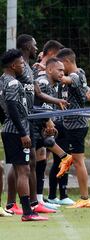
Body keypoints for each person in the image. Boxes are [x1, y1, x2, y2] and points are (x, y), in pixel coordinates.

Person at [6, 34, 67, 215]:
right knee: (20, 164)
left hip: (31, 118)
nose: (36, 48)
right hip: (21, 122)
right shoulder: (20, 69)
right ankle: (13, 204)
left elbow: (37, 94)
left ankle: (33, 202)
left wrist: (56, 102)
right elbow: (19, 98)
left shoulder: (28, 69)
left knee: (29, 162)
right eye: (34, 45)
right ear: (26, 47)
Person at [0, 48, 47, 221]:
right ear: (13, 65)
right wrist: (22, 132)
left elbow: (2, 110)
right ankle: (28, 212)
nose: (23, 66)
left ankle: (26, 209)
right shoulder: (13, 83)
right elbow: (12, 108)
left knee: (22, 169)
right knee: (23, 170)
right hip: (18, 130)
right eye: (21, 63)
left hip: (9, 129)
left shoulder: (2, 81)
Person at [34, 57, 74, 207]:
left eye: (63, 70)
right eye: (59, 70)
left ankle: (39, 198)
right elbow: (37, 104)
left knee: (41, 158)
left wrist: (48, 121)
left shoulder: (51, 85)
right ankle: (36, 200)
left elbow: (45, 106)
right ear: (49, 69)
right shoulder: (43, 82)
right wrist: (48, 121)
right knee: (33, 163)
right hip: (34, 126)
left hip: (42, 126)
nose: (62, 73)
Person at [55, 48, 90, 208]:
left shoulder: (76, 75)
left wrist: (50, 70)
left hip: (77, 125)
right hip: (68, 124)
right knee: (73, 159)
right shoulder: (79, 73)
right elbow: (85, 93)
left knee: (78, 161)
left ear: (68, 62)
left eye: (61, 65)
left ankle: (85, 198)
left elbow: (68, 80)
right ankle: (66, 158)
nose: (60, 69)